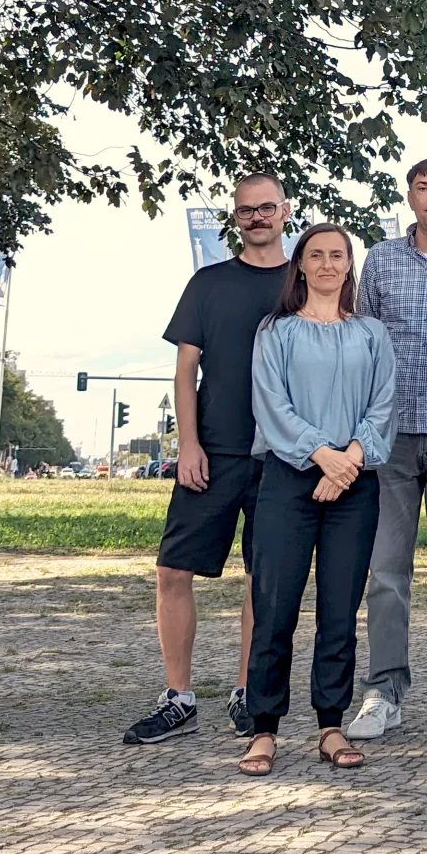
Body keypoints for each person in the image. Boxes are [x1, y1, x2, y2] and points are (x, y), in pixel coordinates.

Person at [123, 172, 290, 745]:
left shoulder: (306, 282)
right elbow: (185, 370)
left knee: (262, 578)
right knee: (172, 570)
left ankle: (247, 693)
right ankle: (179, 697)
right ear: (236, 218)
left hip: (284, 456)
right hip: (213, 451)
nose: (257, 217)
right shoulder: (208, 283)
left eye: (267, 207)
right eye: (247, 210)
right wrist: (186, 444)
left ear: (285, 211)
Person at [236, 223, 397, 776]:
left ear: (350, 266)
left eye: (338, 255)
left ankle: (331, 723)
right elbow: (271, 407)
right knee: (275, 604)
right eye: (317, 255)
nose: (328, 263)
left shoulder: (372, 334)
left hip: (354, 483)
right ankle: (263, 728)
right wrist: (320, 455)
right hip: (287, 480)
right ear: (300, 265)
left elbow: (382, 408)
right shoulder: (275, 332)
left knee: (339, 608)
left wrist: (347, 459)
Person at [346, 158, 427, 742]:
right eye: (422, 189)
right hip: (392, 437)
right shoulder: (380, 259)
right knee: (387, 571)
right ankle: (384, 690)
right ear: (410, 197)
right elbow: (360, 346)